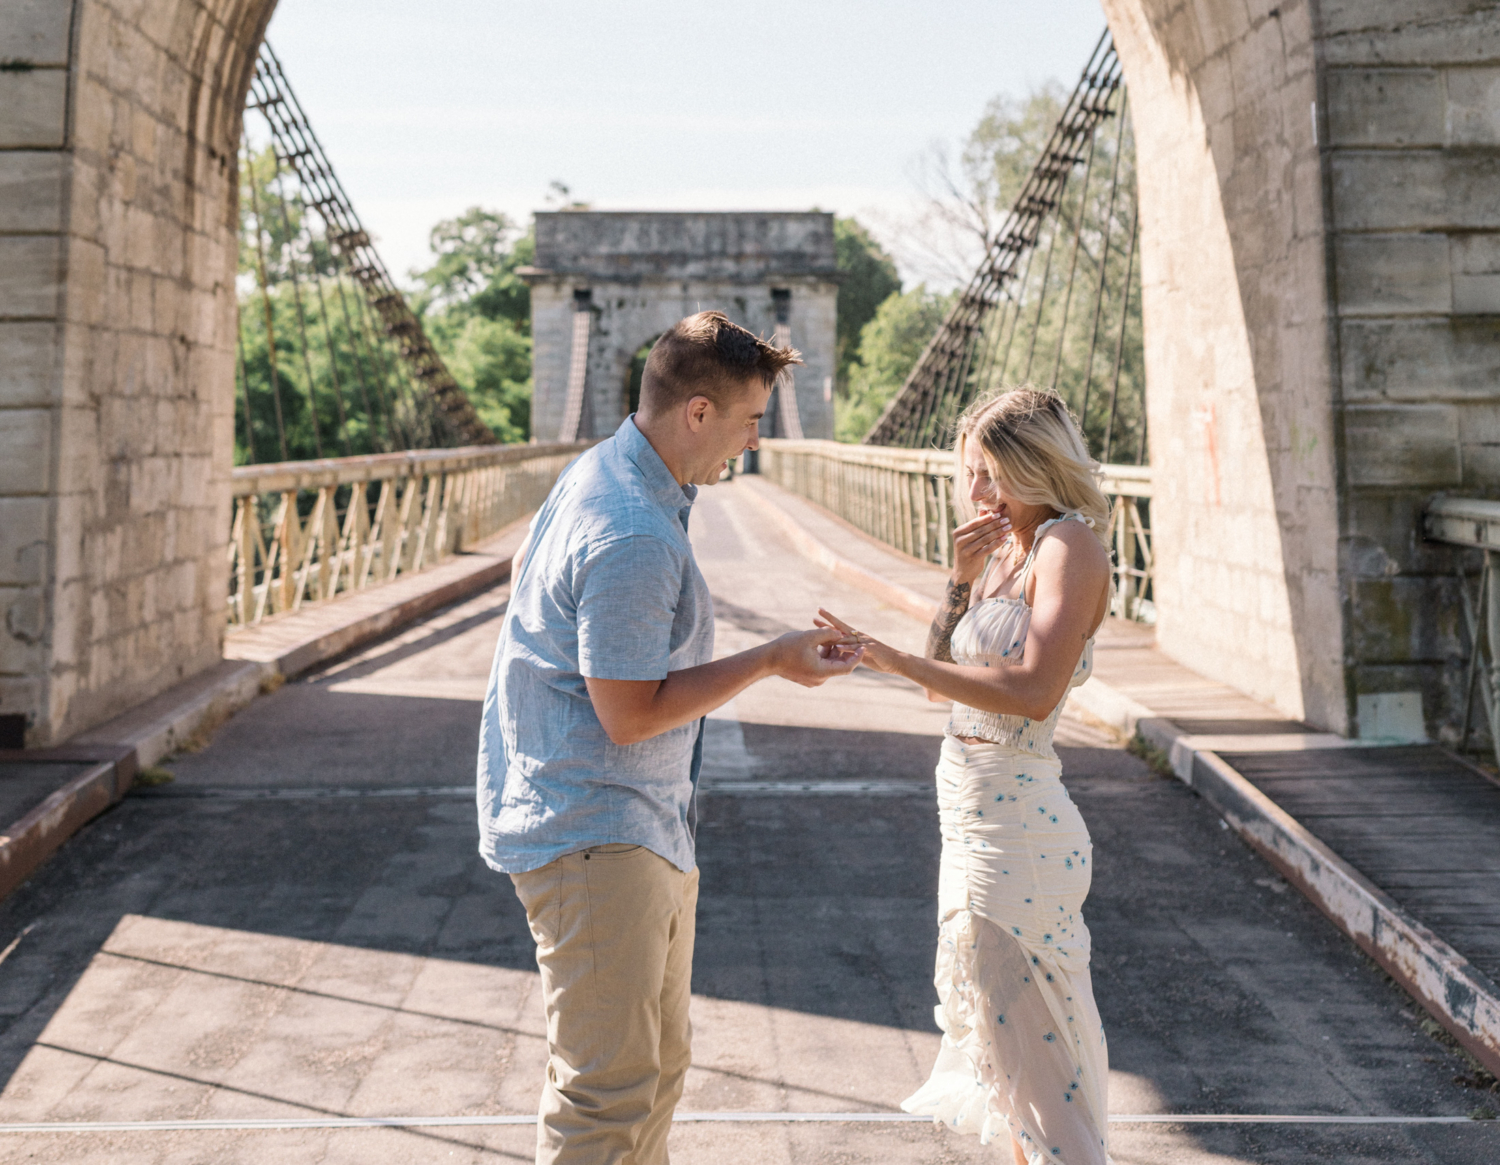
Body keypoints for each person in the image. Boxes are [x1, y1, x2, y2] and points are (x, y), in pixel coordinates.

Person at [477, 310, 863, 1165]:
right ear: (698, 413)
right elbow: (628, 713)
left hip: (637, 825)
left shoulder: (605, 476)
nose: (755, 443)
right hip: (597, 833)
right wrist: (769, 659)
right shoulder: (632, 533)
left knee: (653, 1072)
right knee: (608, 1093)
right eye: (750, 421)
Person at [818, 387, 1113, 1165]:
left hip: (1020, 829)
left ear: (1037, 466)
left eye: (993, 473)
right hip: (972, 818)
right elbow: (937, 683)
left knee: (1045, 1078)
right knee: (1010, 1061)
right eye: (971, 473)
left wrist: (886, 653)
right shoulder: (1006, 550)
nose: (977, 492)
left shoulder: (1067, 546)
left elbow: (1033, 690)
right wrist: (958, 578)